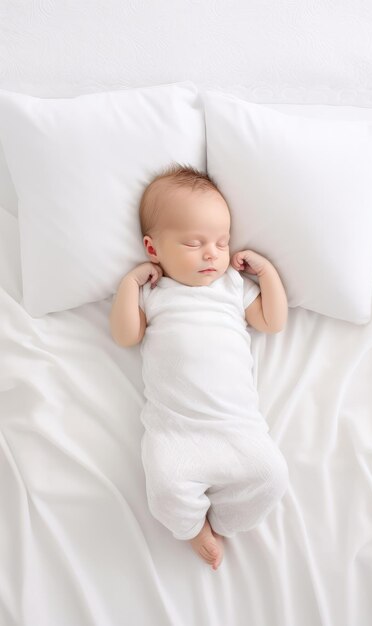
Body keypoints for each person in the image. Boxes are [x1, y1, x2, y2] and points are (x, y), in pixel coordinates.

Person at [110, 163, 289, 571]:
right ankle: (193, 529)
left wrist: (268, 274)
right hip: (176, 431)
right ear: (153, 249)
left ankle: (223, 520)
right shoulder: (156, 294)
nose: (212, 253)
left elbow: (272, 321)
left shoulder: (231, 287)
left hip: (238, 426)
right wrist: (129, 286)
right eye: (194, 243)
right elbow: (125, 335)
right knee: (165, 490)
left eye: (221, 242)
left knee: (272, 477)